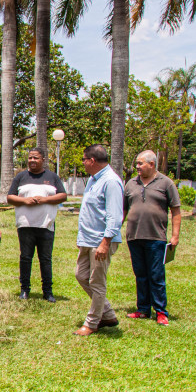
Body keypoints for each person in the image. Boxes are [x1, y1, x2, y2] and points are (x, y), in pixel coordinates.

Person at [123, 150, 181, 326]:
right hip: (134, 237)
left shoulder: (166, 183)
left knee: (156, 275)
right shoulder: (131, 184)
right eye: (137, 164)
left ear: (152, 164)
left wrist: (175, 236)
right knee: (140, 274)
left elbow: (176, 210)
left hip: (156, 237)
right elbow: (124, 209)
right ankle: (143, 309)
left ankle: (161, 312)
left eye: (141, 163)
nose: (137, 167)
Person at [73, 144, 124, 336]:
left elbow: (114, 216)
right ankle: (108, 314)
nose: (84, 163)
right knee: (81, 275)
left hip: (101, 241)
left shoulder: (111, 181)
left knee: (97, 282)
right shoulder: (94, 180)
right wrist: (82, 238)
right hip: (88, 240)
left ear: (92, 160)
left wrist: (106, 242)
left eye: (84, 160)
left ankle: (92, 323)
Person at [7, 148, 67, 302]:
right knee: (26, 258)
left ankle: (47, 291)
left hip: (46, 224)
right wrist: (25, 201)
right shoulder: (21, 176)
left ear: (43, 160)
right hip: (25, 224)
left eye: (36, 158)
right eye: (30, 157)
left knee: (45, 259)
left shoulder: (52, 177)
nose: (32, 160)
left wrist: (45, 199)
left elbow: (63, 195)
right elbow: (10, 197)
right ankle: (24, 290)